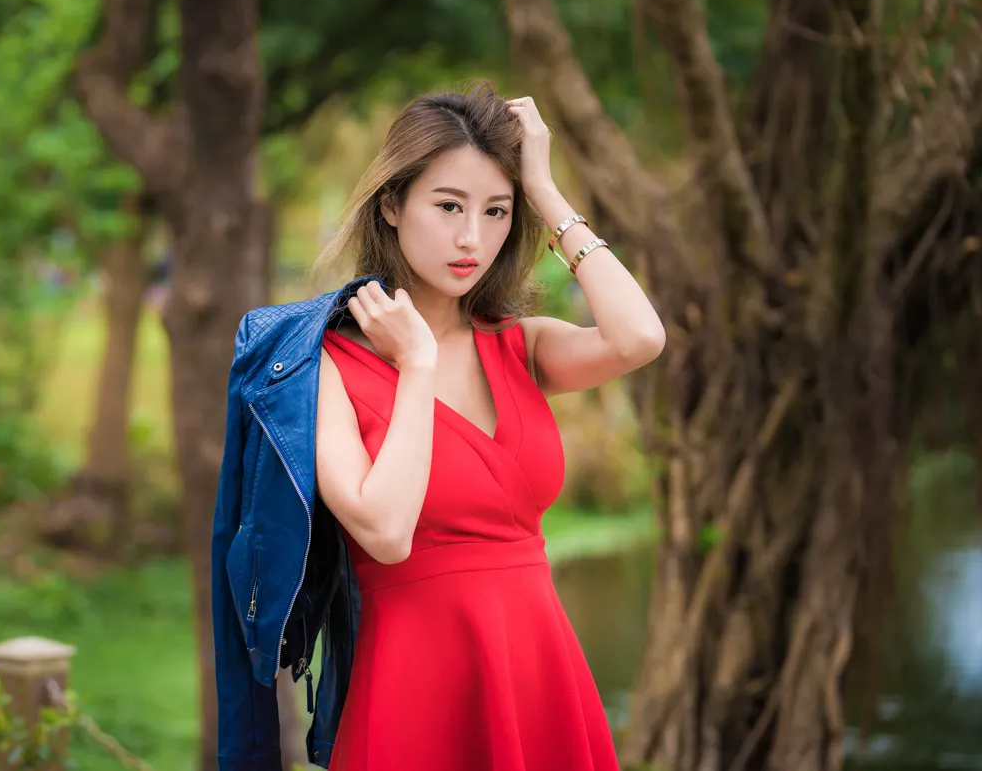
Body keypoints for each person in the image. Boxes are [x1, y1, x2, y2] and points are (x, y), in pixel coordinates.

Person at [209, 84, 664, 771]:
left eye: (496, 212)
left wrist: (544, 188)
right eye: (448, 205)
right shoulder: (324, 366)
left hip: (538, 672)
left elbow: (639, 338)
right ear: (392, 204)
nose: (470, 238)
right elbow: (386, 534)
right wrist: (416, 364)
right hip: (413, 687)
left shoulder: (520, 345)